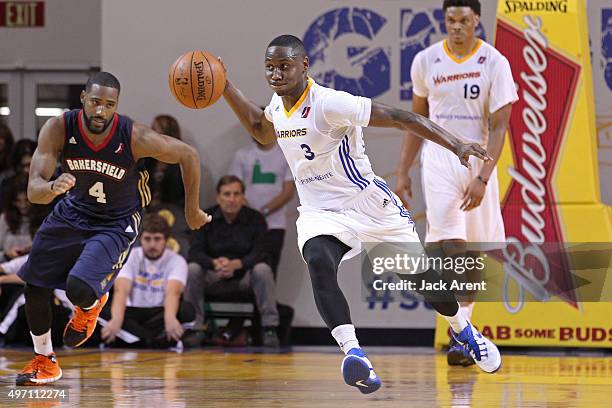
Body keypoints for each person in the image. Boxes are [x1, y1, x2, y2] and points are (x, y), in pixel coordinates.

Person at [221, 34, 501, 394]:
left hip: (369, 207)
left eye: (284, 66)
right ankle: (354, 354)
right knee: (319, 261)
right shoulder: (277, 107)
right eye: (270, 68)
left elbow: (402, 118)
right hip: (321, 212)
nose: (276, 74)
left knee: (425, 284)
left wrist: (457, 143)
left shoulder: (330, 103)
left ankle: (464, 329)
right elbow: (262, 130)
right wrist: (225, 86)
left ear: (304, 65)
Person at [15, 71, 211, 386]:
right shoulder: (59, 128)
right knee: (34, 286)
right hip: (71, 213)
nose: (101, 111)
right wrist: (52, 187)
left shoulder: (133, 136)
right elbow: (33, 191)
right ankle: (45, 360)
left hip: (116, 222)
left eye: (109, 104)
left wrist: (192, 211)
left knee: (79, 288)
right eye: (95, 102)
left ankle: (91, 306)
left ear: (116, 106)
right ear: (83, 99)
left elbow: (188, 155)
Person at [394, 0, 517, 366]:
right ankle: (462, 336)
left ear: (477, 20)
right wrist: (402, 171)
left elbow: (499, 126)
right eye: (451, 20)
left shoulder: (495, 62)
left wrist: (483, 177)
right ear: (444, 21)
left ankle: (467, 329)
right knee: (451, 245)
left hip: (479, 158)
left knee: (474, 250)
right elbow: (416, 121)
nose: (457, 26)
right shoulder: (426, 61)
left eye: (465, 20)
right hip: (439, 159)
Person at [185, 175, 280, 347]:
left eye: (236, 194)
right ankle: (195, 328)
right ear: (218, 197)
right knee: (192, 269)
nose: (232, 199)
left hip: (245, 277)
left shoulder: (256, 219)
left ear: (243, 197)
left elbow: (262, 252)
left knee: (263, 270)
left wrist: (238, 264)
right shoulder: (205, 218)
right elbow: (195, 252)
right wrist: (214, 263)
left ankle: (269, 328)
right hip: (214, 275)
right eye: (227, 194)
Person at [100, 213, 194, 348]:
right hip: (132, 312)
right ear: (140, 239)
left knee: (187, 310)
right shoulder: (130, 256)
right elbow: (121, 290)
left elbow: (173, 293)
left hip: (160, 313)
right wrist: (116, 320)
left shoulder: (177, 261)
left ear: (166, 240)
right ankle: (153, 341)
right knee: (101, 311)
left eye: (157, 239)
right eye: (147, 239)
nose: (152, 244)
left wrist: (170, 319)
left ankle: (132, 339)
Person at [229, 137, 294, 275]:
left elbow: (288, 192)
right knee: (242, 269)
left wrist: (264, 212)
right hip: (246, 223)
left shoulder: (286, 154)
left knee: (269, 269)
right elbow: (234, 188)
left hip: (275, 224)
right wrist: (253, 215)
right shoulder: (242, 155)